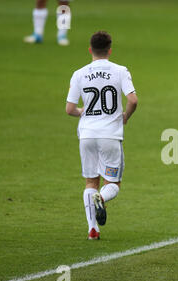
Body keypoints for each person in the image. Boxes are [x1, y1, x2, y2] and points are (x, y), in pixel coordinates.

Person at [66, 31, 138, 240]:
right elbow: (133, 100)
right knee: (112, 184)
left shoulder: (79, 73)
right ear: (110, 50)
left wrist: (84, 112)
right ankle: (101, 198)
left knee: (90, 182)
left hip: (87, 134)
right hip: (110, 134)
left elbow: (70, 109)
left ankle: (92, 228)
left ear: (90, 50)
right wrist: (125, 116)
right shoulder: (120, 71)